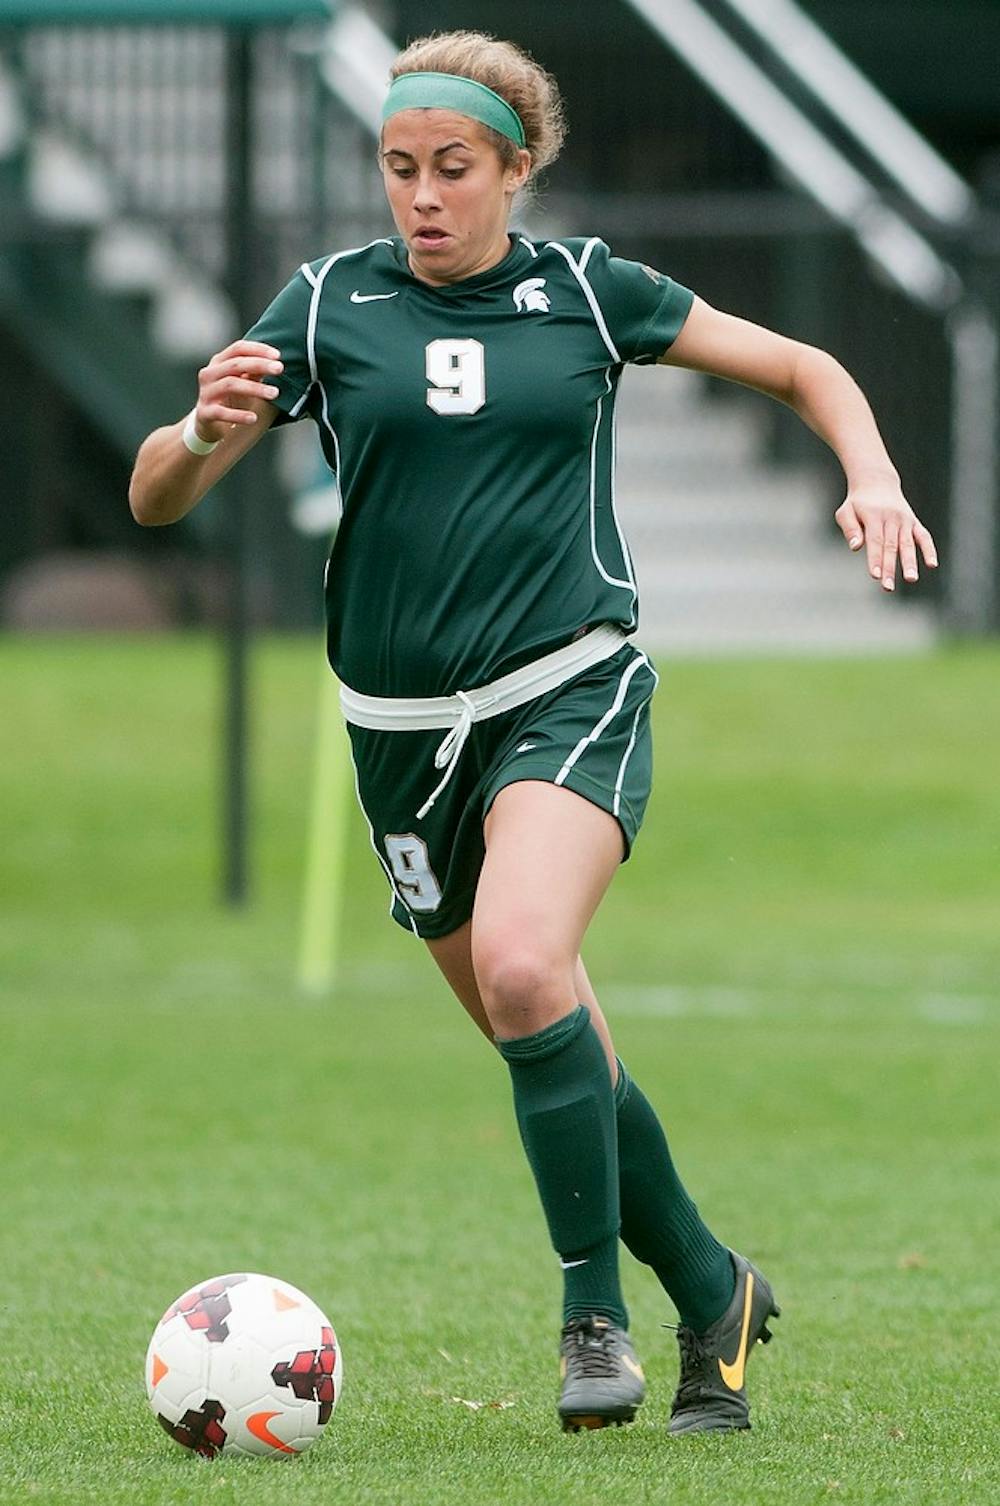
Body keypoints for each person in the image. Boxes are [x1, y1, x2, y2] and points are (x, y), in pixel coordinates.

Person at [128, 29, 938, 1435]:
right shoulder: (324, 306)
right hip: (396, 734)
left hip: (569, 687)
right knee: (546, 1024)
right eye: (398, 169)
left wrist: (867, 472)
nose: (421, 197)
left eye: (452, 168)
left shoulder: (585, 290)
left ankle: (592, 1321)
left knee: (520, 961)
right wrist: (201, 431)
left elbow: (808, 366)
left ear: (517, 168)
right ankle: (714, 1286)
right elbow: (157, 496)